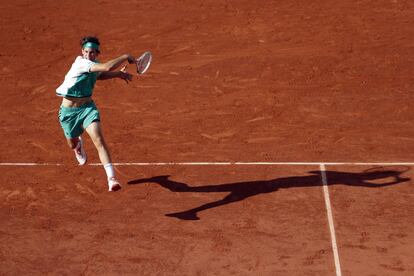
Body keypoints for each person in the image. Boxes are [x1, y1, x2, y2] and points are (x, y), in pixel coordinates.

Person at [56, 36, 135, 191]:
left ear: (97, 53)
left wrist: (118, 74)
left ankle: (111, 179)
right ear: (82, 52)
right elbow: (106, 68)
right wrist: (125, 56)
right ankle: (78, 145)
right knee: (71, 143)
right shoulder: (81, 63)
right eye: (86, 51)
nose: (88, 55)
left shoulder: (94, 65)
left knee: (99, 140)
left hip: (87, 109)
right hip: (68, 113)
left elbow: (100, 75)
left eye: (92, 53)